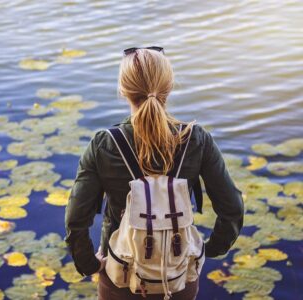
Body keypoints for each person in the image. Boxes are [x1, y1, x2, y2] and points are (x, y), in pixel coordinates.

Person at [64, 46, 244, 299]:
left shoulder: (103, 144)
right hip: (178, 276)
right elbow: (232, 208)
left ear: (123, 89)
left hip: (119, 274)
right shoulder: (196, 139)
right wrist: (208, 249)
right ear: (168, 87)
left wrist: (89, 264)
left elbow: (76, 220)